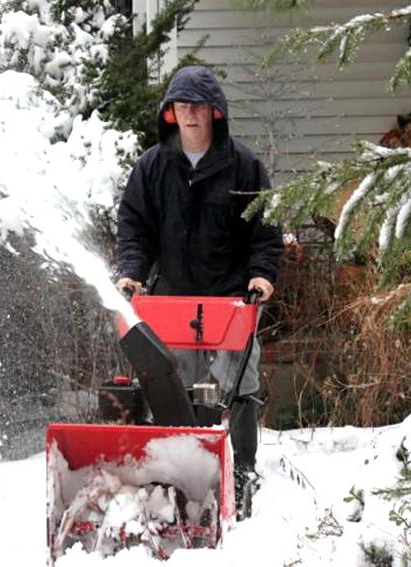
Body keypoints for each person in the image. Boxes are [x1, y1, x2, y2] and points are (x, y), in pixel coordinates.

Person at [114, 65, 284, 506]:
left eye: (198, 107)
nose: (189, 115)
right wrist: (132, 270)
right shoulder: (152, 166)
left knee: (239, 381)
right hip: (173, 297)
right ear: (170, 114)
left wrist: (261, 274)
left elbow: (264, 227)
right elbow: (134, 226)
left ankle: (243, 470)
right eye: (181, 107)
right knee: (176, 383)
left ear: (215, 113)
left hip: (230, 295)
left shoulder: (244, 166)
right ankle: (181, 474)